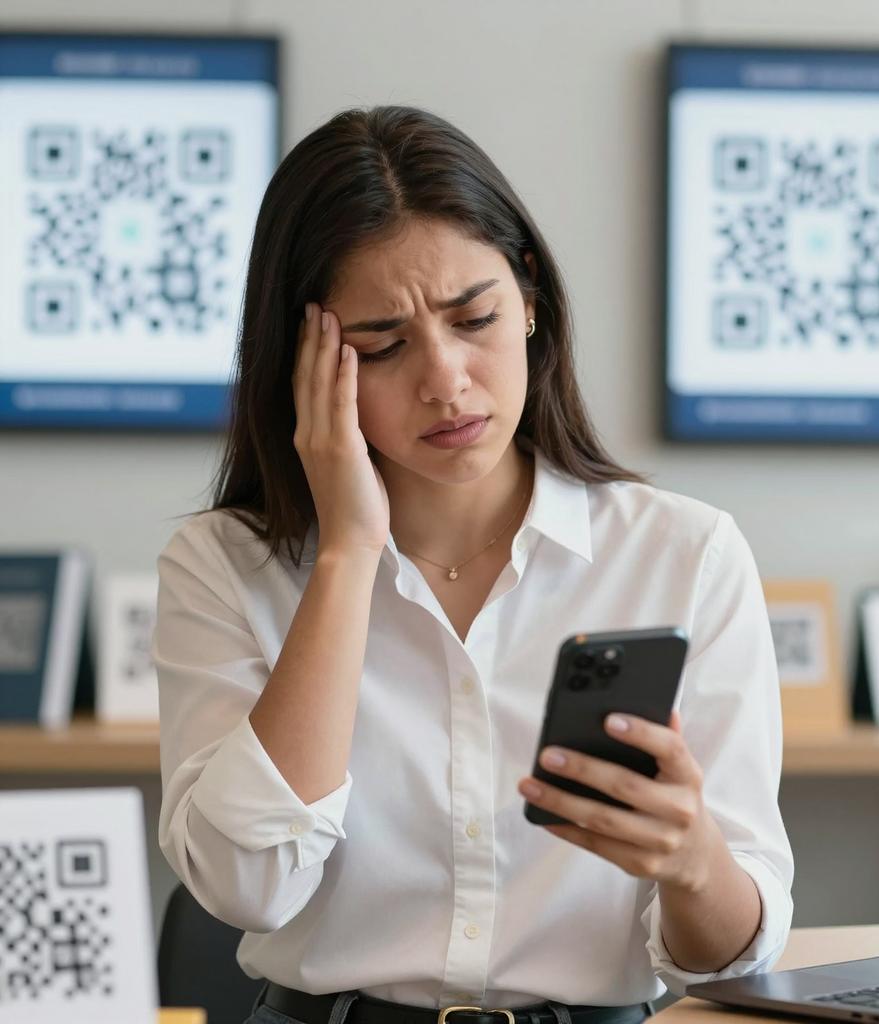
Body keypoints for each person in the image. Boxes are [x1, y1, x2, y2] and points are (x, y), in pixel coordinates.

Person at [153, 105, 793, 1024]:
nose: (447, 379)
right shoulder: (223, 567)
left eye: (476, 318)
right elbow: (248, 889)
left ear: (529, 298)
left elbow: (725, 960)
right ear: (306, 361)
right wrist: (344, 554)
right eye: (383, 345)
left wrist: (693, 861)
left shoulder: (685, 555)